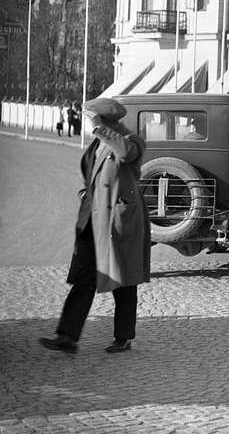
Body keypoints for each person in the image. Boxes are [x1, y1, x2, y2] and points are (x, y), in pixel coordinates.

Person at [39, 97, 151, 354]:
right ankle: (67, 336)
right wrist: (84, 192)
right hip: (92, 219)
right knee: (84, 277)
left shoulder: (130, 141)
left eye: (92, 117)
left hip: (116, 221)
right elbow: (90, 174)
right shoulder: (97, 144)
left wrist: (101, 128)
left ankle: (123, 337)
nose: (89, 121)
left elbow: (125, 153)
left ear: (104, 119)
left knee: (123, 279)